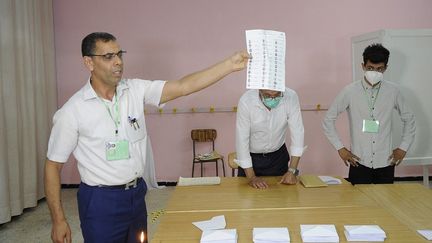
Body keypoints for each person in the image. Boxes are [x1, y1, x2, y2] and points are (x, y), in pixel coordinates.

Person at [44, 32, 249, 243]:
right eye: (108, 57)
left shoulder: (134, 90)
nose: (118, 62)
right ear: (89, 62)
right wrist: (58, 220)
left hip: (136, 194)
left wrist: (229, 65)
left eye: (119, 55)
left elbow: (183, 86)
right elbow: (53, 166)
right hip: (100, 200)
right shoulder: (72, 111)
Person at [322, 43, 416, 185]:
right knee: (359, 205)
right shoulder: (349, 91)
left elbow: (409, 119)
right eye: (370, 68)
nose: (374, 72)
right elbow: (328, 120)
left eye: (379, 69)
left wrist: (403, 147)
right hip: (359, 161)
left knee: (384, 204)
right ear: (363, 66)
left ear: (386, 68)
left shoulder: (393, 91)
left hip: (386, 161)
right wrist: (340, 148)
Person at [235, 87, 305, 189]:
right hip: (252, 161)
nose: (272, 99)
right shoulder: (246, 101)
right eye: (267, 95)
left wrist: (292, 171)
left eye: (277, 95)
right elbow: (241, 141)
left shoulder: (290, 97)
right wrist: (251, 177)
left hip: (278, 158)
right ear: (259, 91)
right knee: (249, 200)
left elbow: (298, 133)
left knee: (280, 198)